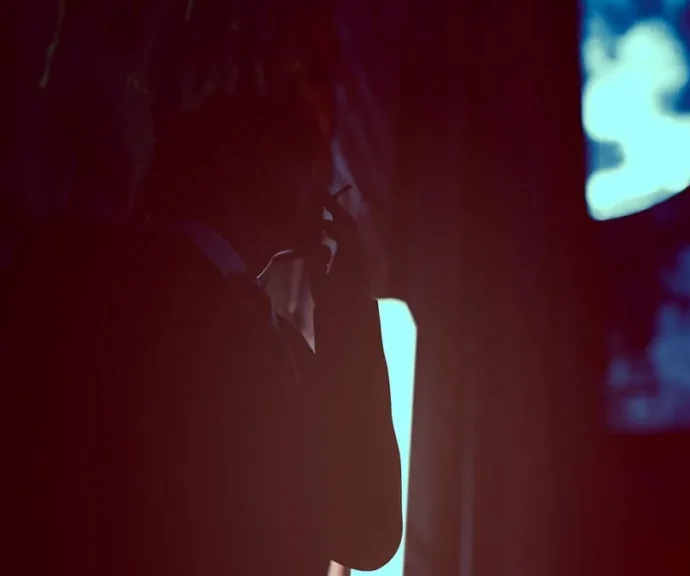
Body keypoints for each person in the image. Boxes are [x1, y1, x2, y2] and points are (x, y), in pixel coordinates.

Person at [3, 73, 403, 576]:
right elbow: (365, 530)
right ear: (252, 168)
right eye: (307, 161)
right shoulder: (265, 354)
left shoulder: (71, 266)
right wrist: (349, 317)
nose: (322, 187)